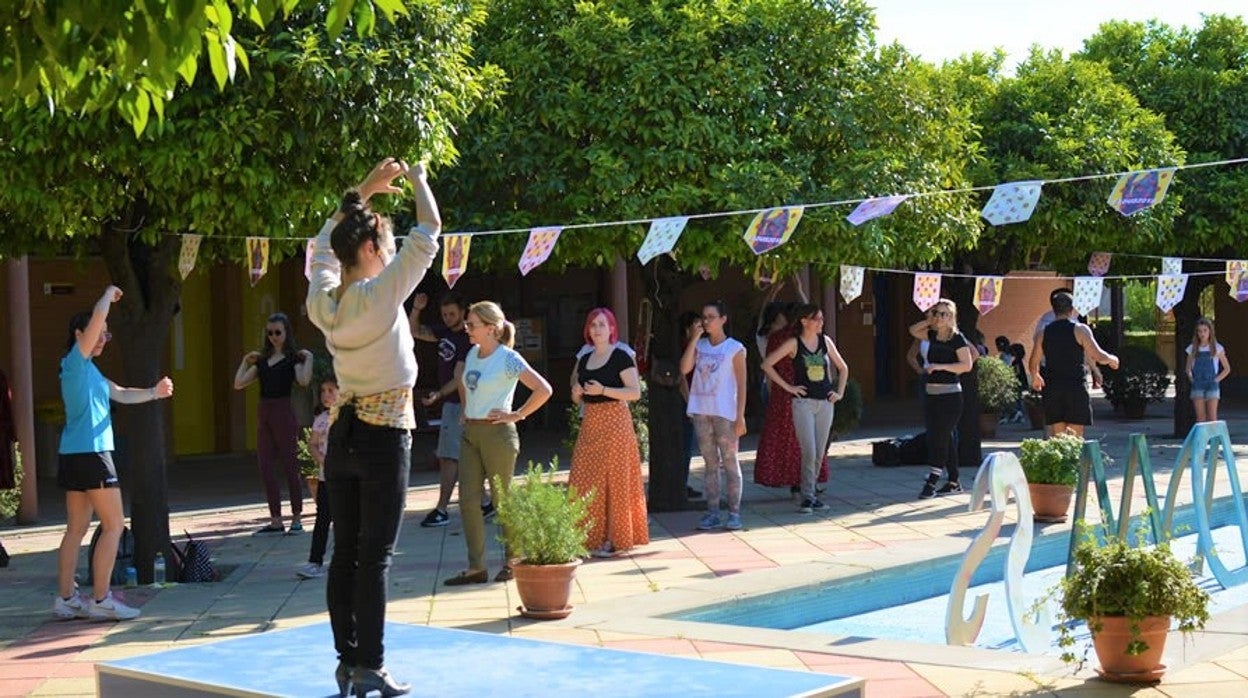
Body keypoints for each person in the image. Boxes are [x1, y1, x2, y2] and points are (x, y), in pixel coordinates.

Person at [306, 157, 440, 697]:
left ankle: (347, 660)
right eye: (382, 243)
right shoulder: (382, 293)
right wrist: (418, 180)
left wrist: (360, 192)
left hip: (344, 436)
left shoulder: (323, 298)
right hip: (385, 434)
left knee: (346, 553)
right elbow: (429, 231)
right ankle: (371, 664)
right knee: (376, 556)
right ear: (368, 250)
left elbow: (321, 248)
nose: (388, 251)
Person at [53, 286, 174, 622]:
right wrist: (105, 295)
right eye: (98, 332)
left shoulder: (88, 371)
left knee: (76, 529)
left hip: (73, 455)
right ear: (80, 335)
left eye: (106, 335)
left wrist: (153, 392)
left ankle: (66, 598)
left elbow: (120, 393)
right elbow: (95, 323)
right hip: (92, 455)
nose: (103, 337)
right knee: (115, 525)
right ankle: (102, 599)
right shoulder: (76, 361)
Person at [443, 301, 552, 586]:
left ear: (491, 329)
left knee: (502, 499)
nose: (467, 328)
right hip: (471, 434)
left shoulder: (508, 358)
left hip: (498, 435)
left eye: (472, 325)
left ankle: (512, 560)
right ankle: (476, 567)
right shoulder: (472, 353)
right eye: (467, 324)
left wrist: (517, 414)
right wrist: (467, 411)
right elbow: (465, 382)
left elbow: (544, 389)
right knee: (468, 501)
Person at [408, 292, 495, 527]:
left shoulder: (468, 339)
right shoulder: (445, 332)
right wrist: (416, 309)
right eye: (444, 314)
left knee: (448, 458)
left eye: (452, 314)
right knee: (463, 458)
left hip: (460, 403)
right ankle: (486, 503)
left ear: (463, 312)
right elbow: (415, 332)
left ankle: (442, 509)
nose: (447, 318)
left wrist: (439, 394)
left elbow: (460, 376)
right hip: (456, 404)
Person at [568, 308, 649, 558]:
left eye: (602, 325)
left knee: (615, 479)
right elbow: (574, 392)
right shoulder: (585, 358)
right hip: (591, 421)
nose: (597, 329)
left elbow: (634, 392)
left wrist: (603, 389)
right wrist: (576, 393)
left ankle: (616, 538)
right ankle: (587, 537)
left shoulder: (621, 356)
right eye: (593, 325)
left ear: (612, 328)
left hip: (615, 419)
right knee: (583, 476)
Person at [760, 304, 848, 513]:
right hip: (803, 403)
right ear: (804, 321)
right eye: (816, 319)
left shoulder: (825, 341)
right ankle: (806, 496)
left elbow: (843, 368)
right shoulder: (794, 343)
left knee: (819, 452)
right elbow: (767, 365)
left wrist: (840, 392)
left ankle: (810, 494)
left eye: (822, 319)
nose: (820, 322)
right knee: (808, 451)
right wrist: (788, 387)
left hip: (825, 403)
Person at [233, 313, 313, 535]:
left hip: (283, 411)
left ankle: (297, 518)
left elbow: (304, 380)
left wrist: (309, 359)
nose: (274, 337)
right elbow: (239, 383)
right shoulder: (261, 361)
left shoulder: (292, 359)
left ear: (286, 333)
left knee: (290, 466)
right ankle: (276, 520)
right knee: (265, 466)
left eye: (278, 332)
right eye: (270, 333)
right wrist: (244, 360)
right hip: (264, 412)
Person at [681, 300, 748, 531]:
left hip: (725, 413)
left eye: (711, 316)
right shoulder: (699, 346)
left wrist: (740, 416)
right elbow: (684, 369)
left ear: (723, 319)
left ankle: (734, 513)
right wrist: (693, 339)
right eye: (704, 316)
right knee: (710, 463)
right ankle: (712, 512)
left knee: (730, 461)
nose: (706, 321)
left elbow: (742, 384)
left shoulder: (734, 348)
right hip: (702, 411)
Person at [754, 301, 830, 496]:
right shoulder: (790, 339)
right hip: (798, 390)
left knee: (793, 440)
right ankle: (806, 484)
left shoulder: (781, 338)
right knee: (805, 442)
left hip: (787, 391)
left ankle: (803, 485)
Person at [1028, 291, 1119, 440]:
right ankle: (1073, 462)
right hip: (1075, 387)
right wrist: (1111, 359)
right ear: (1072, 310)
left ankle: (1062, 462)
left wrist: (1035, 376)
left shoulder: (1043, 333)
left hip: (1053, 387)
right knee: (1075, 437)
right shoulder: (1080, 330)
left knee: (1058, 437)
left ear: (1054, 310)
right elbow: (1097, 355)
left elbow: (1033, 361)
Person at [908, 299, 975, 499]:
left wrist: (941, 367)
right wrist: (930, 319)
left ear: (952, 317)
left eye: (945, 313)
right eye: (938, 312)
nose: (940, 316)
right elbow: (913, 330)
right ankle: (953, 480)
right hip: (931, 393)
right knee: (940, 436)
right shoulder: (931, 335)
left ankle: (932, 480)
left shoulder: (957, 339)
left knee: (940, 436)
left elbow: (967, 365)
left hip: (951, 395)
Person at [295, 375, 338, 580]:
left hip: (345, 477)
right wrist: (322, 460)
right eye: (323, 391)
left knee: (346, 520)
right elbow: (312, 444)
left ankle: (345, 560)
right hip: (325, 477)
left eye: (331, 390)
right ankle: (315, 561)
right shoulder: (321, 419)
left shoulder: (349, 416)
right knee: (323, 519)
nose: (326, 395)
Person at [1186, 317, 1231, 423]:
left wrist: (1216, 380)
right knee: (1200, 418)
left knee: (1212, 418)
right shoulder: (1192, 348)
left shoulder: (1217, 348)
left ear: (1210, 331)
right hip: (1198, 384)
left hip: (1212, 384)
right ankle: (1201, 440)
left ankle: (1213, 439)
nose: (1202, 333)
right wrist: (1193, 380)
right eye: (1199, 331)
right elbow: (1187, 369)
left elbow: (1227, 369)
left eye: (1205, 330)